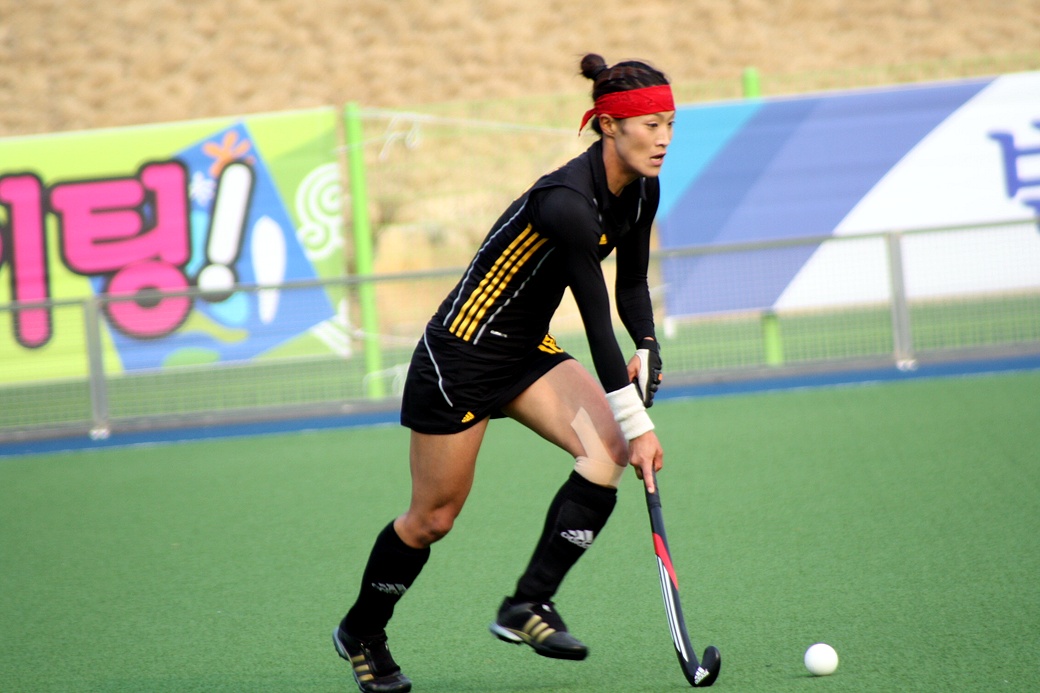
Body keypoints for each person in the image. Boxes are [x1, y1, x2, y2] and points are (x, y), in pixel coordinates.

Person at [333, 52, 674, 693]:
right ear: (609, 125)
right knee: (433, 518)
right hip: (461, 355)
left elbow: (630, 285)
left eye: (669, 125)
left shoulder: (642, 189)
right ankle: (362, 631)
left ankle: (528, 603)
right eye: (650, 125)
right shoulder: (566, 202)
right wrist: (641, 422)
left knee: (605, 450)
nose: (662, 139)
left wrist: (650, 343)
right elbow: (595, 322)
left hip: (526, 352)